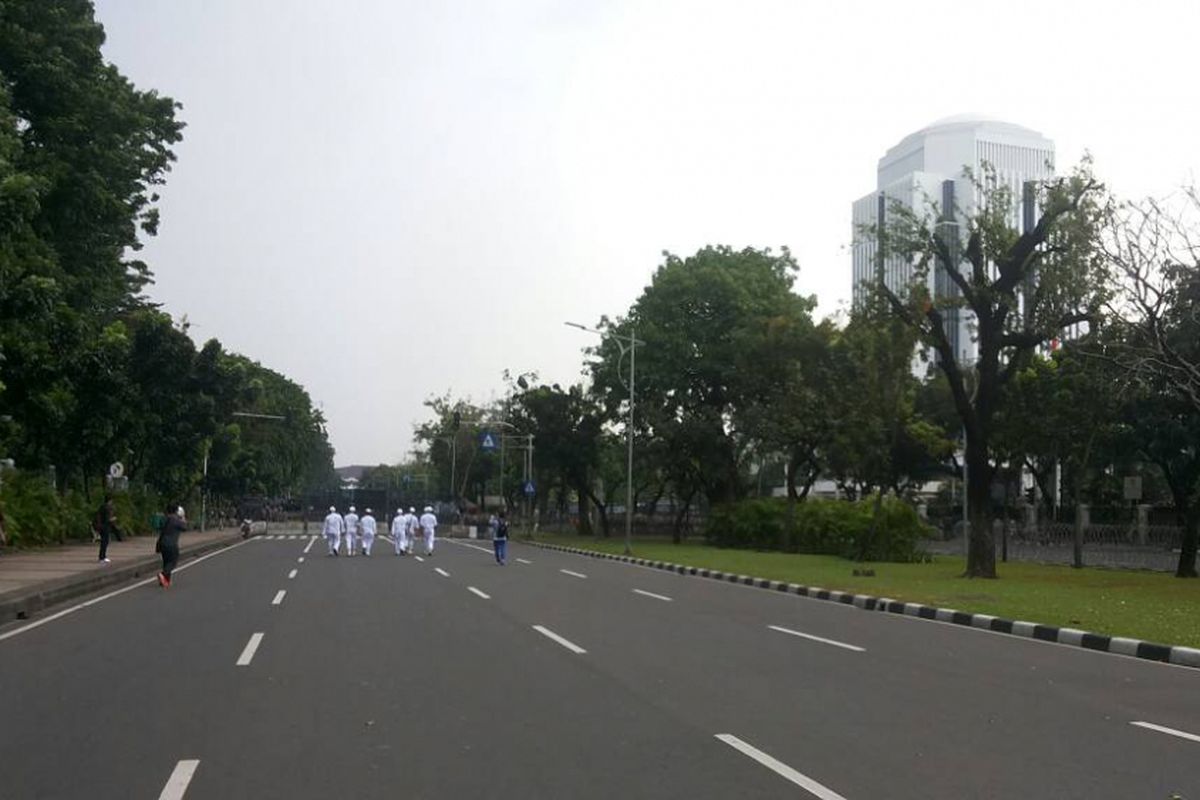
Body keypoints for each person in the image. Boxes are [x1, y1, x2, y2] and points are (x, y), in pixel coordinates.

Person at [156, 505, 186, 588]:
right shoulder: (176, 520)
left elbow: (160, 527)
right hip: (172, 544)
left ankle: (165, 581)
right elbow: (184, 527)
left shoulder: (165, 519)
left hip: (162, 543)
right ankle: (163, 574)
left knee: (166, 562)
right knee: (173, 562)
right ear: (176, 511)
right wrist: (183, 517)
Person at [94, 496, 122, 563]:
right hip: (105, 527)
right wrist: (113, 519)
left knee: (104, 542)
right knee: (104, 542)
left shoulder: (102, 507)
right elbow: (107, 519)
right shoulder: (106, 508)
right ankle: (102, 557)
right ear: (110, 501)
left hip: (101, 526)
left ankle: (103, 556)